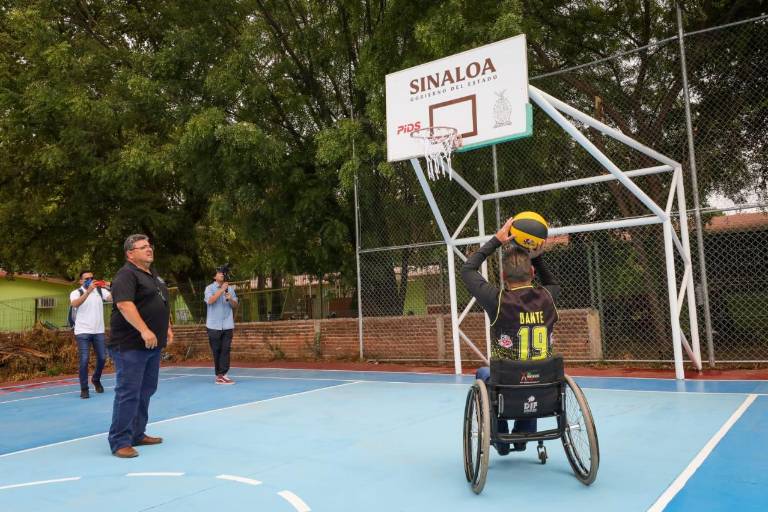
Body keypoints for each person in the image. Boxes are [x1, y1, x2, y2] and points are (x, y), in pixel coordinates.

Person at [460, 216, 560, 455]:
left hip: (507, 384)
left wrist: (497, 239)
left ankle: (501, 438)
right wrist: (537, 254)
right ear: (532, 272)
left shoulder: (496, 300)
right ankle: (522, 437)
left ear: (504, 277)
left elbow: (468, 268)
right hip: (545, 383)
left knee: (483, 373)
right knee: (533, 373)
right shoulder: (549, 296)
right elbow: (551, 281)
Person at [107, 234, 173, 458]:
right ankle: (119, 441)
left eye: (149, 246)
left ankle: (137, 433)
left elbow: (161, 303)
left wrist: (167, 328)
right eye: (142, 247)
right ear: (130, 253)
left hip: (152, 345)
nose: (149, 249)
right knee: (129, 392)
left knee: (146, 390)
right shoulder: (126, 275)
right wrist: (144, 330)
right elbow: (125, 305)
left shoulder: (153, 276)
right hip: (130, 345)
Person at [69, 270, 111, 399]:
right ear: (81, 281)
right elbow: (74, 304)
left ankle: (96, 379)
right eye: (87, 279)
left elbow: (113, 298)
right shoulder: (76, 292)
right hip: (82, 332)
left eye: (92, 278)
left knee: (103, 358)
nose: (90, 280)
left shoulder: (100, 291)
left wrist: (111, 287)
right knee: (84, 359)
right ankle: (84, 388)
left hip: (98, 331)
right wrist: (88, 291)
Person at [204, 267, 238, 384]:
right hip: (213, 326)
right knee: (216, 350)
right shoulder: (209, 288)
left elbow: (235, 305)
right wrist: (221, 290)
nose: (222, 274)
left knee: (226, 349)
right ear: (214, 277)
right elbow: (210, 301)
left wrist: (230, 299)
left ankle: (222, 374)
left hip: (227, 325)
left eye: (223, 273)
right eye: (219, 273)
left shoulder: (231, 289)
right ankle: (219, 375)